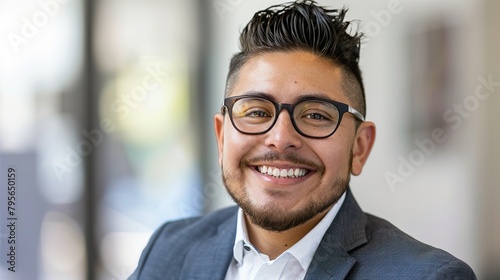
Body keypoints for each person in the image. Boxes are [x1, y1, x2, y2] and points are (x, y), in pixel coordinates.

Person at [130, 1, 476, 279]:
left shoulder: (427, 276)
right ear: (222, 137)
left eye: (315, 115)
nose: (280, 139)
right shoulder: (169, 249)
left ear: (359, 147)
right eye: (256, 112)